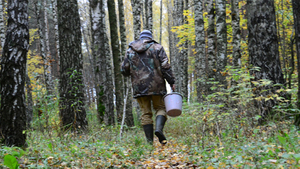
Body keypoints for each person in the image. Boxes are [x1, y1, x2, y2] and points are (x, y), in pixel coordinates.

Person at [121, 30, 175, 145]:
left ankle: (150, 143)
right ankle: (159, 130)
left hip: (139, 87)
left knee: (145, 113)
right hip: (157, 85)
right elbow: (165, 66)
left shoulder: (130, 51)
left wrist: (132, 72)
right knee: (160, 108)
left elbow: (124, 69)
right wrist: (171, 82)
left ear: (140, 38)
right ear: (150, 38)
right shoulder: (157, 48)